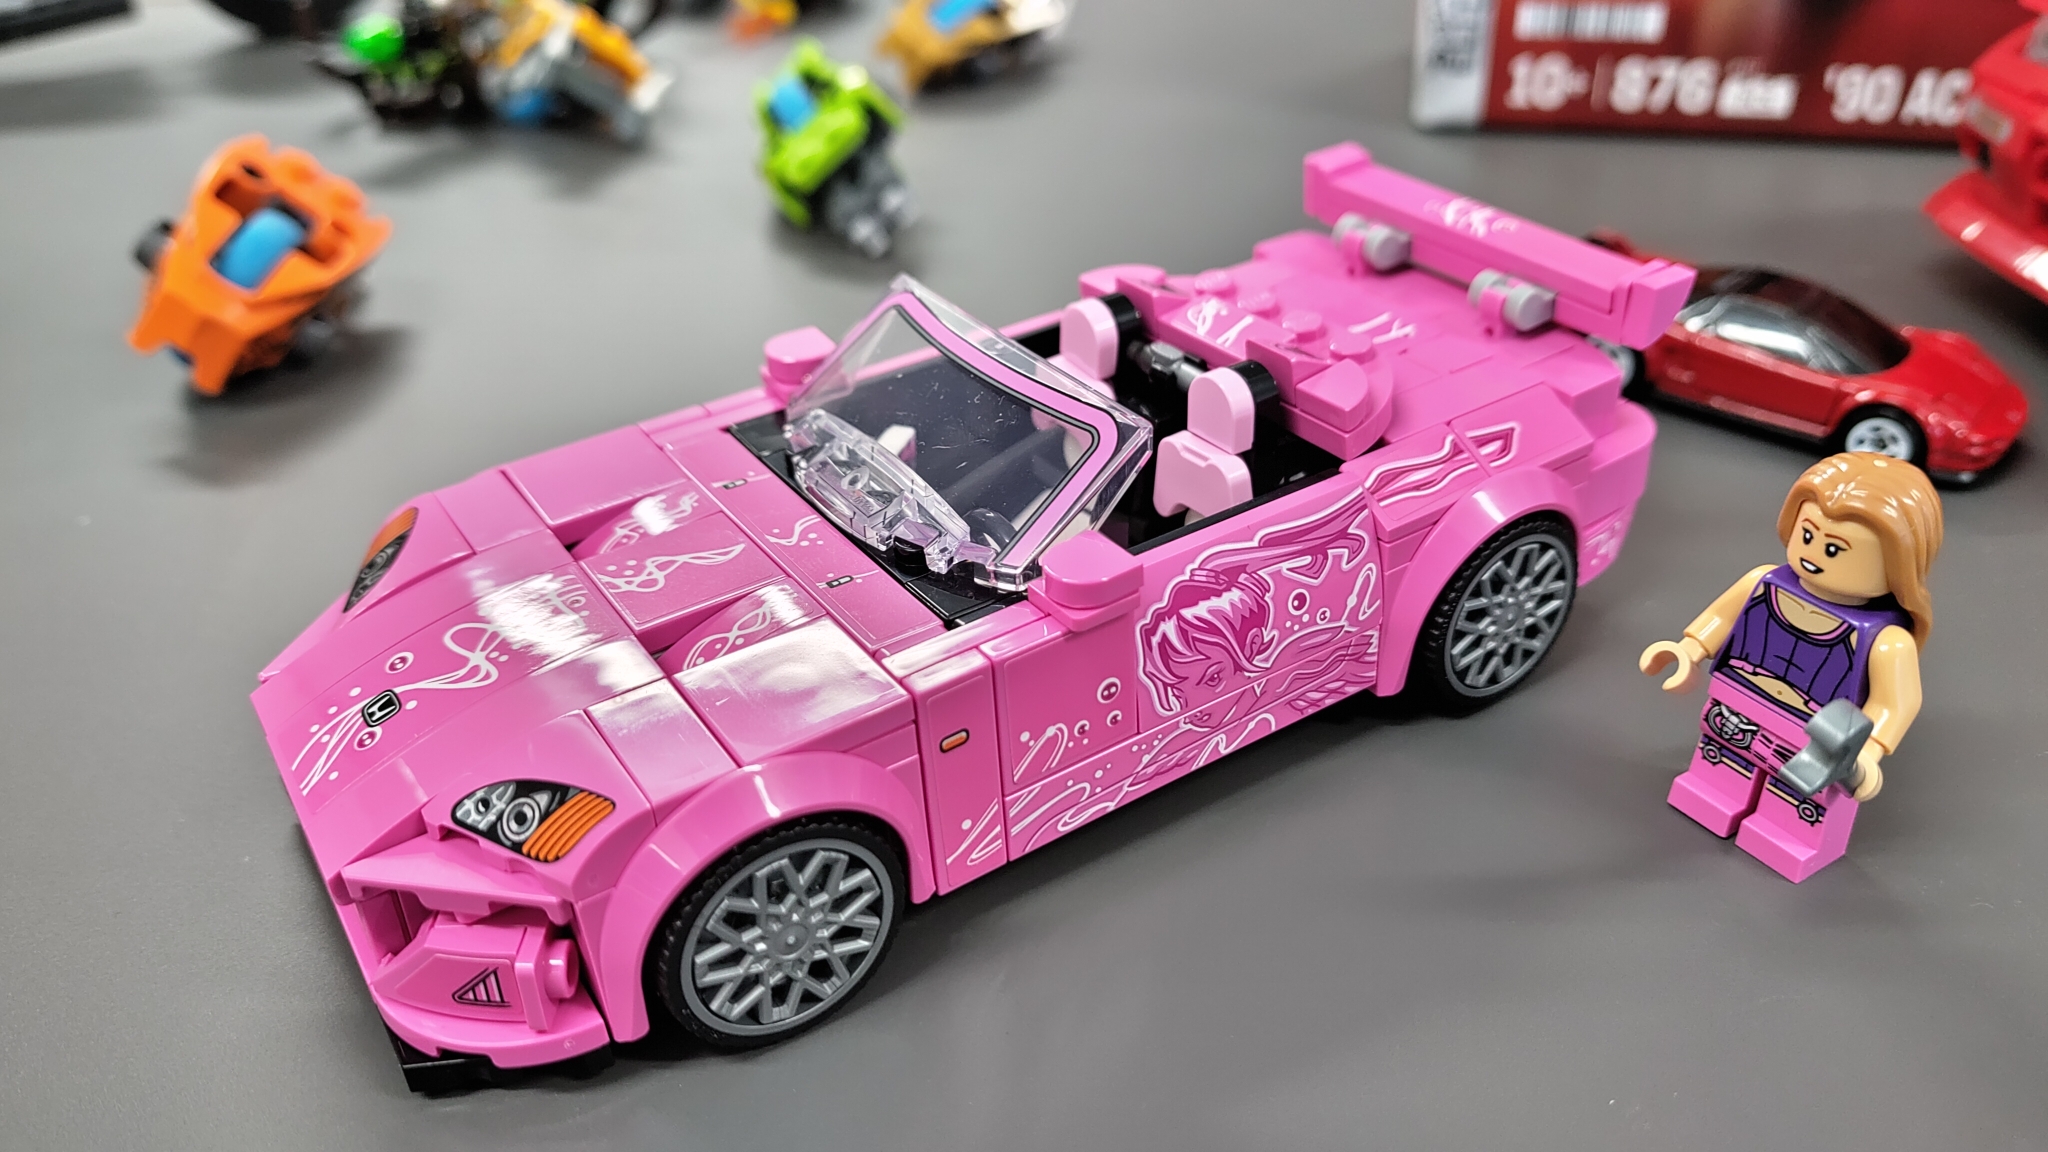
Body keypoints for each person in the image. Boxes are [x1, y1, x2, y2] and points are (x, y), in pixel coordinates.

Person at [1638, 452, 1943, 881]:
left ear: (1898, 564)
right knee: (1721, 761)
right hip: (1736, 702)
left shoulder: (1886, 640)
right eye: (1808, 534)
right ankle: (1714, 794)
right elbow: (1720, 620)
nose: (1816, 555)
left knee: (1800, 798)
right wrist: (1688, 650)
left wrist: (1868, 752)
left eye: (1835, 549)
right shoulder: (1762, 583)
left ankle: (1787, 835)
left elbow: (1896, 702)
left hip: (1815, 738)